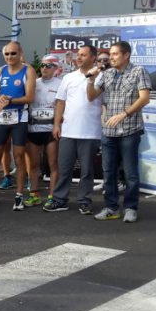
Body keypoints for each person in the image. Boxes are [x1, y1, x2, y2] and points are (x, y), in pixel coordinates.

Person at [87, 41, 151, 223]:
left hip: (130, 130)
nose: (111, 57)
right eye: (110, 54)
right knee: (108, 171)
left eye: (115, 54)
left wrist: (124, 114)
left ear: (126, 55)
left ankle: (130, 208)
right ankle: (111, 207)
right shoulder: (107, 74)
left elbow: (144, 98)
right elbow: (91, 96)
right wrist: (91, 79)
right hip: (108, 131)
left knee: (130, 172)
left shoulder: (138, 71)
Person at [44, 45, 102, 214]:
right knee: (64, 168)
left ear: (93, 58)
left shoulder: (101, 77)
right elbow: (60, 102)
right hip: (68, 131)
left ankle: (84, 201)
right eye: (78, 55)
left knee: (87, 171)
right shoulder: (68, 77)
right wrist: (56, 124)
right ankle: (60, 200)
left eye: (83, 55)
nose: (79, 57)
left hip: (90, 132)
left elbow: (103, 103)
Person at [0, 41, 36, 211]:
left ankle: (19, 195)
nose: (10, 57)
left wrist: (8, 101)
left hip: (19, 118)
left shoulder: (28, 70)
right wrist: (0, 100)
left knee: (19, 157)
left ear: (20, 53)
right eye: (7, 54)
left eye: (13, 53)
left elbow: (29, 97)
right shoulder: (1, 70)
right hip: (2, 119)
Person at [26, 54, 62, 207]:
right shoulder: (34, 83)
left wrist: (57, 125)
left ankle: (52, 195)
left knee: (53, 164)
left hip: (50, 130)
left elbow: (62, 106)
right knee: (34, 164)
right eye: (42, 65)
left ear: (55, 68)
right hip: (33, 128)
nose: (44, 68)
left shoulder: (61, 84)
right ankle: (34, 194)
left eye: (48, 66)